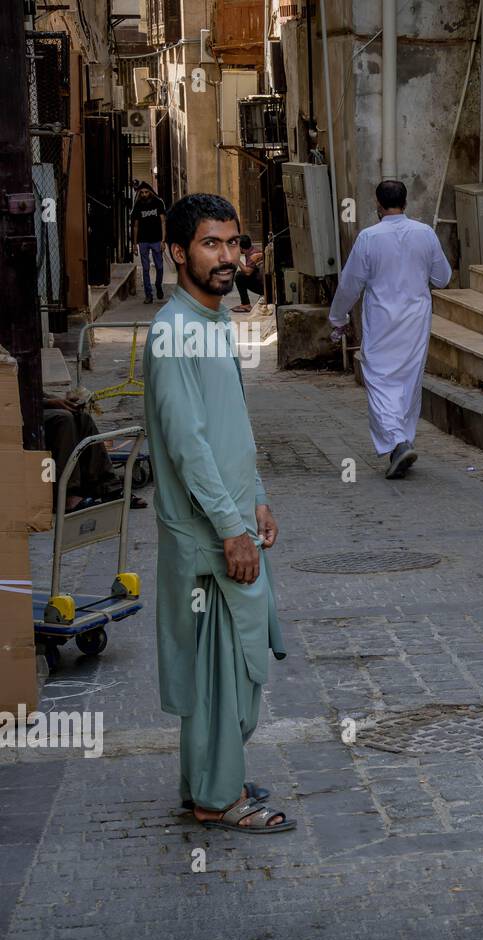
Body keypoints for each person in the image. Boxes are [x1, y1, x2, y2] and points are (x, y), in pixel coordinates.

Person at [143, 192, 293, 833]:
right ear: (178, 252)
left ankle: (207, 782)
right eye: (211, 244)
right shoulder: (175, 332)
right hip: (206, 538)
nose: (228, 256)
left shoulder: (210, 322)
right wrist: (231, 528)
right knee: (221, 674)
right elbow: (188, 446)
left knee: (220, 670)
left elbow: (230, 428)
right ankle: (218, 800)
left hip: (230, 520)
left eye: (233, 243)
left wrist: (255, 494)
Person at [328, 179, 452, 479]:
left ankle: (397, 442)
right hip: (415, 320)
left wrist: (338, 317)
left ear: (378, 205)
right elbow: (443, 277)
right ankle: (403, 439)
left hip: (382, 320)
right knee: (408, 380)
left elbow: (350, 284)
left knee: (381, 381)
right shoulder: (425, 233)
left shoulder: (369, 238)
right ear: (406, 202)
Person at [41, 394, 140, 511]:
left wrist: (59, 401)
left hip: (33, 404)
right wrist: (49, 403)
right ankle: (67, 494)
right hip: (23, 414)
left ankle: (108, 488)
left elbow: (33, 391)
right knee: (64, 418)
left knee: (82, 417)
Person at [130, 183, 166, 304]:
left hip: (156, 240)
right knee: (145, 268)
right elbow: (135, 226)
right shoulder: (138, 205)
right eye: (142, 192)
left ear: (150, 192)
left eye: (146, 192)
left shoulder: (158, 203)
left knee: (160, 267)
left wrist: (163, 240)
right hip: (143, 240)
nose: (144, 194)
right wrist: (134, 244)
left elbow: (162, 222)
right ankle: (148, 294)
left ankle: (158, 285)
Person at [232, 234, 264, 313]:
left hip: (263, 286)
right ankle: (245, 304)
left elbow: (248, 272)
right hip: (261, 282)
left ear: (241, 247)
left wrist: (237, 260)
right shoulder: (251, 251)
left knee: (239, 276)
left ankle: (246, 304)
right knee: (240, 275)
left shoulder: (253, 254)